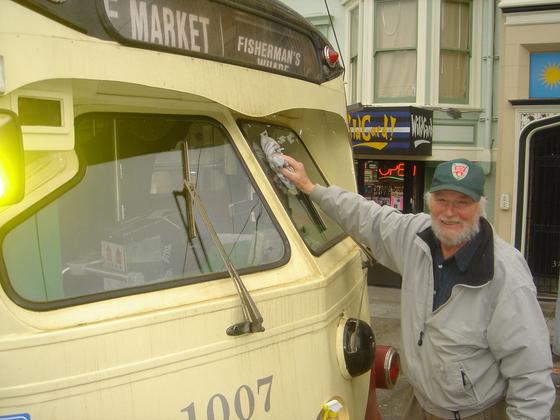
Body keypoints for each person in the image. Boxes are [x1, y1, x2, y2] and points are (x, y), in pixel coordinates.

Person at [280, 156, 555, 420]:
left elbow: (530, 374)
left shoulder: (505, 272)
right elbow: (367, 216)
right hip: (418, 403)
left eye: (462, 202)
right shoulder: (416, 237)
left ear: (480, 206)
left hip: (474, 413)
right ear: (429, 201)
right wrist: (310, 188)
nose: (449, 212)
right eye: (442, 200)